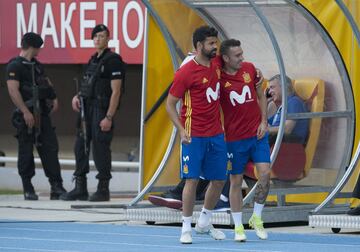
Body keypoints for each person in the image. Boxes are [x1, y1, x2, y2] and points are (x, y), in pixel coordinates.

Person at [166, 26, 227, 244]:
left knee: (219, 180)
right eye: (211, 43)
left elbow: (238, 66)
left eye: (215, 43)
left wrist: (256, 75)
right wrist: (181, 130)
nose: (215, 47)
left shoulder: (218, 64)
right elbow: (170, 104)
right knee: (191, 180)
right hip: (193, 135)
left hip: (216, 134)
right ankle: (185, 227)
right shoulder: (186, 71)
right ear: (199, 46)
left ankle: (204, 222)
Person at [60, 24, 125, 202]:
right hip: (86, 110)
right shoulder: (93, 60)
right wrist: (77, 96)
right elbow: (89, 84)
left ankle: (103, 189)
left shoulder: (113, 60)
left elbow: (116, 91)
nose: (98, 39)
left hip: (101, 110)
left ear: (108, 38)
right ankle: (80, 187)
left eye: (102, 36)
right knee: (80, 147)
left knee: (100, 149)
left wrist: (109, 117)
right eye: (95, 36)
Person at [218, 39, 270, 241]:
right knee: (236, 181)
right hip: (234, 138)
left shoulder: (249, 69)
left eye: (242, 53)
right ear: (225, 58)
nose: (242, 58)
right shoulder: (219, 77)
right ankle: (238, 226)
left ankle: (256, 217)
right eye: (237, 55)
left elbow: (260, 95)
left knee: (265, 174)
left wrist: (264, 121)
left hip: (257, 134)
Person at [6, 32, 66, 200]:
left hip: (42, 114)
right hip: (26, 116)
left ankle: (56, 186)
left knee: (50, 148)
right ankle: (28, 187)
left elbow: (46, 82)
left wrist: (53, 97)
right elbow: (13, 90)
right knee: (26, 151)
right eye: (38, 48)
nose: (39, 51)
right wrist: (25, 111)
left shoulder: (37, 66)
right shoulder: (14, 66)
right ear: (33, 47)